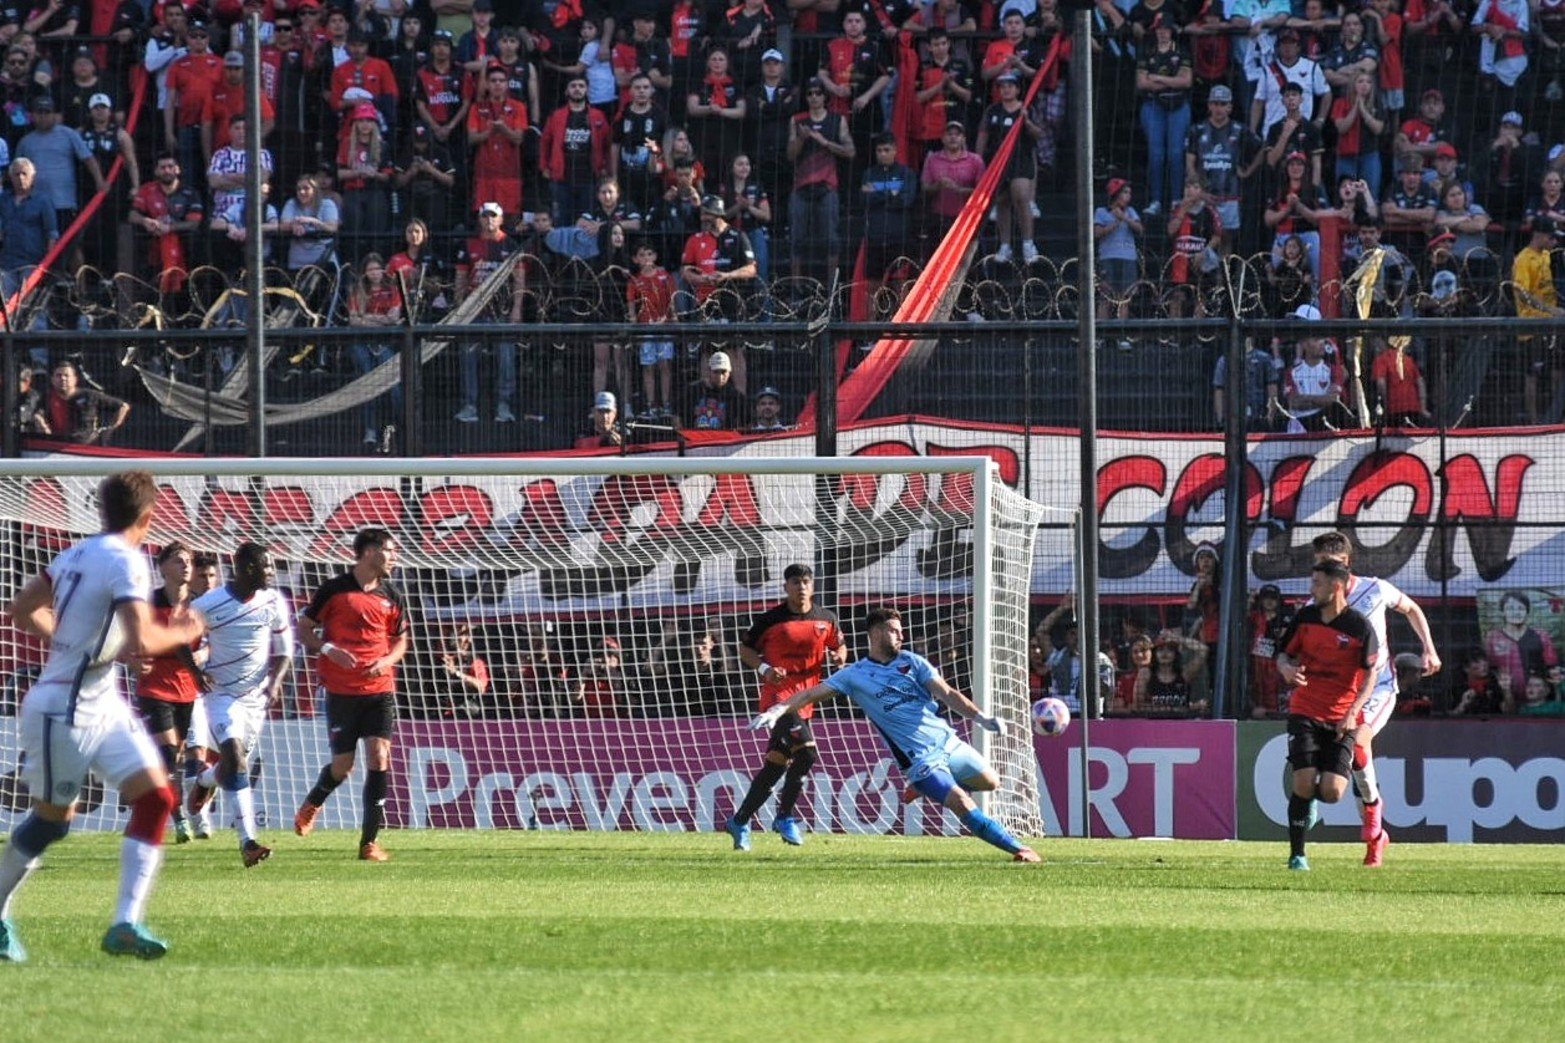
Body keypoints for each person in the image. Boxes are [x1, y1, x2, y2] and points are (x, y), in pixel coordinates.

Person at [0, 470, 206, 962]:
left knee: (157, 797)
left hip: (102, 700)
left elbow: (23, 607)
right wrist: (184, 630)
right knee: (53, 823)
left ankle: (126, 924)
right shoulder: (128, 562)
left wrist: (84, 644)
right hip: (62, 710)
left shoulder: (76, 552)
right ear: (150, 515)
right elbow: (144, 642)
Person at [750, 607, 1040, 863]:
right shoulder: (855, 674)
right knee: (962, 803)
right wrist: (777, 710)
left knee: (991, 782)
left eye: (901, 631)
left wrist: (981, 718)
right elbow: (811, 693)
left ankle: (923, 790)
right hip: (921, 761)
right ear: (876, 633)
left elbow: (948, 693)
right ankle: (1019, 848)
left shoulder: (913, 662)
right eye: (894, 630)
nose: (901, 636)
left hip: (947, 742)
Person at [1308, 530, 1439, 867]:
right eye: (1319, 565)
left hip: (1378, 686)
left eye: (1330, 563)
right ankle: (1373, 826)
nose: (1323, 572)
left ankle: (1373, 824)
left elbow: (1411, 609)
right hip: (1341, 690)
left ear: (1346, 562)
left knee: (1357, 740)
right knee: (1346, 752)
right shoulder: (1315, 603)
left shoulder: (1375, 589)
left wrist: (1429, 649)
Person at [292, 528, 410, 862]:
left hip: (380, 690)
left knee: (380, 757)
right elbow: (303, 628)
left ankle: (369, 843)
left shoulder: (392, 594)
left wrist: (385, 660)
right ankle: (313, 802)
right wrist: (329, 649)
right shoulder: (333, 590)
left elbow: (401, 640)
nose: (394, 556)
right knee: (343, 767)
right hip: (342, 692)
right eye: (390, 550)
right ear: (370, 551)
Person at [183, 543, 293, 868]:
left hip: (256, 699)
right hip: (221, 696)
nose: (272, 572)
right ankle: (248, 842)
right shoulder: (207, 604)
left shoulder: (273, 601)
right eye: (267, 567)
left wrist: (275, 682)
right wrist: (194, 673)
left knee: (233, 765)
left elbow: (285, 649)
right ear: (247, 568)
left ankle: (205, 780)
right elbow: (179, 641)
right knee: (235, 758)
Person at [725, 563, 847, 850]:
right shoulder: (770, 620)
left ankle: (739, 820)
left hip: (806, 703)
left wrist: (838, 658)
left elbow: (839, 645)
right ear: (786, 587)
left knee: (776, 766)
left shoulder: (826, 619)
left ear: (812, 586)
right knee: (806, 753)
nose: (801, 587)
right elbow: (745, 649)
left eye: (806, 581)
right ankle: (784, 816)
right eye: (795, 582)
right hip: (778, 702)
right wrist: (764, 668)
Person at [1274, 560, 1379, 872]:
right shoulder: (1305, 618)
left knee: (1332, 792)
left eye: (1316, 583)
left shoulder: (1359, 627)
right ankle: (1297, 856)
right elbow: (1282, 653)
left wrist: (1353, 713)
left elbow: (1370, 676)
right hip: (1304, 709)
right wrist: (1286, 668)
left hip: (1341, 718)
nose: (1311, 589)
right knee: (1304, 782)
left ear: (1336, 587)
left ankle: (1311, 802)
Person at [132, 542, 204, 845]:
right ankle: (177, 819)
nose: (185, 566)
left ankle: (176, 811)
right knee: (169, 754)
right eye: (177, 561)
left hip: (187, 690)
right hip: (154, 688)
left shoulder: (201, 603)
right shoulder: (148, 604)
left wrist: (205, 654)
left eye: (188, 561)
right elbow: (131, 638)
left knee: (174, 760)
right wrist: (135, 657)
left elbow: (214, 639)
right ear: (162, 568)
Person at [678, 350, 749, 430]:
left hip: (723, 440)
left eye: (723, 372)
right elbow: (677, 418)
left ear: (729, 372)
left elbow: (746, 425)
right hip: (695, 440)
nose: (720, 376)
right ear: (709, 371)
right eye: (716, 372)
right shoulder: (692, 391)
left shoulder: (736, 397)